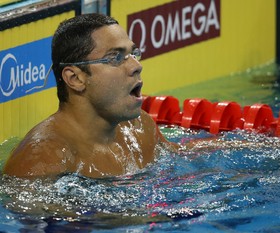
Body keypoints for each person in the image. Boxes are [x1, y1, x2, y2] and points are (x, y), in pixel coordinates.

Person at [3, 13, 178, 178]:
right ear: (75, 78)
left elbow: (184, 157)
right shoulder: (43, 160)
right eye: (115, 57)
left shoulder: (139, 128)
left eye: (133, 53)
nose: (136, 66)